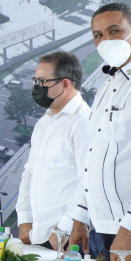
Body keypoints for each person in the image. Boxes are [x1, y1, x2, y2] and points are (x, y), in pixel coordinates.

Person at [66, 2, 131, 261]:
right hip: (108, 228)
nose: (106, 40)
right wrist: (80, 217)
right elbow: (94, 156)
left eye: (115, 31)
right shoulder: (107, 86)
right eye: (98, 35)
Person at [16, 51, 89, 249]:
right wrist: (24, 219)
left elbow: (88, 182)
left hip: (67, 237)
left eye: (42, 81)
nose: (37, 87)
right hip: (36, 234)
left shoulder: (83, 122)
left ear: (65, 84)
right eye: (35, 81)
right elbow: (29, 173)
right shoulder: (44, 122)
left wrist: (63, 229)